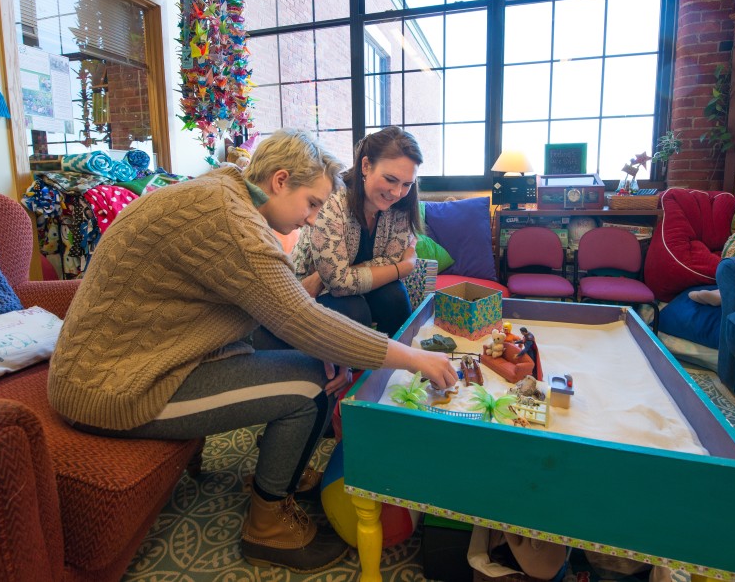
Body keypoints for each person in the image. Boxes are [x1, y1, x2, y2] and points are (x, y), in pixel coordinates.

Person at [47, 129, 457, 574]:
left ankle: (283, 467)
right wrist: (414, 357)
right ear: (280, 181)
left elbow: (265, 311)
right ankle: (267, 524)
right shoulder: (235, 224)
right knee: (309, 384)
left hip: (138, 357)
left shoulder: (224, 192)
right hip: (111, 386)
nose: (313, 218)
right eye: (313, 204)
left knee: (312, 356)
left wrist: (322, 339)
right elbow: (302, 318)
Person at [292, 126, 423, 337]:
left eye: (407, 184)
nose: (397, 192)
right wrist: (404, 268)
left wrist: (340, 272)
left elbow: (392, 257)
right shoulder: (333, 200)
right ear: (365, 165)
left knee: (394, 297)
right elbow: (337, 283)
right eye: (390, 179)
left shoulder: (401, 205)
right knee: (354, 312)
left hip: (334, 283)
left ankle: (395, 367)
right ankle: (354, 368)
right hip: (309, 291)